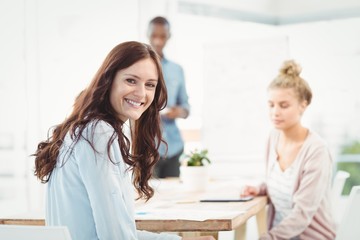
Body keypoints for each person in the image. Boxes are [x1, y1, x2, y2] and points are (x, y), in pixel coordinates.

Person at [33, 41, 214, 240]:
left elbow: (120, 232)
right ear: (109, 80)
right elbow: (115, 236)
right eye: (131, 80)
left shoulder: (85, 127)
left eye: (150, 85)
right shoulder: (99, 133)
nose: (141, 93)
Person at [241, 60, 336, 240]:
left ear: (303, 104)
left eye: (283, 105)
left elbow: (302, 214)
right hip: (281, 235)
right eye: (271, 105)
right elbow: (281, 183)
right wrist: (260, 189)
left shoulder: (316, 151)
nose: (275, 112)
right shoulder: (273, 137)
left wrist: (268, 238)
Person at [147, 16, 190, 178]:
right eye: (154, 36)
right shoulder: (138, 67)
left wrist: (180, 112)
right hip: (148, 148)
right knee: (149, 197)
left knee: (175, 196)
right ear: (147, 34)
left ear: (169, 37)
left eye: (162, 36)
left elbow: (186, 107)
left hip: (174, 147)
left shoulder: (177, 70)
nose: (158, 41)